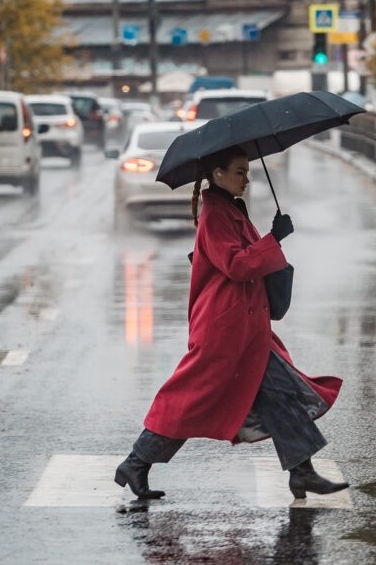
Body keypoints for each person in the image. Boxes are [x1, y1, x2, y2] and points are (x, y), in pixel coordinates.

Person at [114, 145, 348, 500]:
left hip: (246, 326)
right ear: (218, 174)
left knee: (280, 394)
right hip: (224, 330)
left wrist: (270, 239)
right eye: (240, 172)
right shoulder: (215, 214)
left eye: (247, 172)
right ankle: (136, 462)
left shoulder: (230, 208)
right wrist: (274, 239)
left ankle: (302, 472)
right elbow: (237, 265)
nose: (247, 179)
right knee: (192, 399)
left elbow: (246, 258)